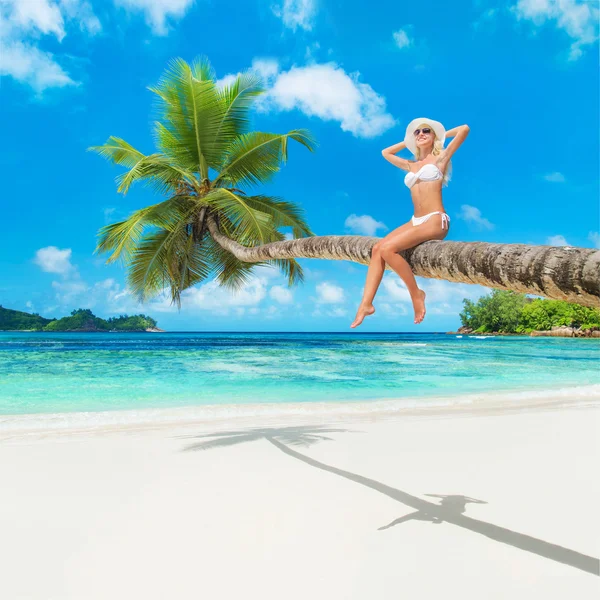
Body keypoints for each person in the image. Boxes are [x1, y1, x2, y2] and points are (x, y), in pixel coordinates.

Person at [350, 118, 470, 328]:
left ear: (434, 137)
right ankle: (366, 304)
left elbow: (464, 129)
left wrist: (441, 136)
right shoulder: (410, 165)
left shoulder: (441, 158)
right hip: (415, 221)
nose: (421, 134)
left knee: (388, 249)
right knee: (378, 249)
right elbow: (386, 152)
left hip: (435, 219)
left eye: (426, 131)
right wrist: (410, 142)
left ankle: (416, 294)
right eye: (417, 132)